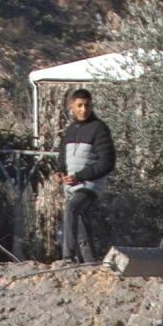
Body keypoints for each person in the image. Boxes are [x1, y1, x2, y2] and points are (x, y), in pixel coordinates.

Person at [44, 86, 120, 260]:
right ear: (72, 106)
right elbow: (62, 157)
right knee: (80, 224)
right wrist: (59, 172)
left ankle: (67, 257)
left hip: (90, 185)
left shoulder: (99, 129)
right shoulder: (70, 130)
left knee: (71, 209)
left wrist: (80, 176)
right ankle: (90, 262)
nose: (83, 109)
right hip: (71, 186)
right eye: (79, 105)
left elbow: (107, 163)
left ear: (91, 106)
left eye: (87, 105)